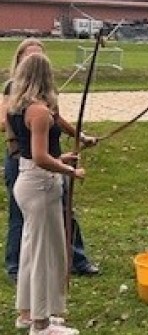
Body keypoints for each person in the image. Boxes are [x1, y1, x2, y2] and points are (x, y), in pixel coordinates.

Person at [6, 53, 89, 335]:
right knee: (43, 253)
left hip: (29, 179)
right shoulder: (39, 111)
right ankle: (40, 325)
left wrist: (61, 157)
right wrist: (69, 170)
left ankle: (27, 312)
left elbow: (33, 152)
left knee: (32, 249)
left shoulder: (18, 107)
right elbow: (40, 157)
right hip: (39, 184)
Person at [2, 38, 100, 281]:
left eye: (39, 55)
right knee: (20, 212)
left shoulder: (45, 93)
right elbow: (5, 122)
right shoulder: (12, 89)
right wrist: (27, 120)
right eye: (29, 55)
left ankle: (76, 259)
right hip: (21, 159)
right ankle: (15, 266)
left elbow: (56, 119)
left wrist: (80, 136)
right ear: (21, 60)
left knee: (65, 207)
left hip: (49, 158)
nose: (35, 59)